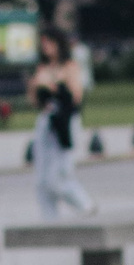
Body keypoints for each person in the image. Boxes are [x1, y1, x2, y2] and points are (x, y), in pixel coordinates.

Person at [30, 29, 96, 219]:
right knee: (42, 180)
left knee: (60, 176)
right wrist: (35, 86)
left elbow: (76, 96)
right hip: (47, 121)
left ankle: (85, 205)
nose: (46, 47)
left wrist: (51, 84)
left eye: (49, 43)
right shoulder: (42, 68)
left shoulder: (70, 66)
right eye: (43, 44)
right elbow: (36, 102)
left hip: (65, 122)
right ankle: (49, 218)